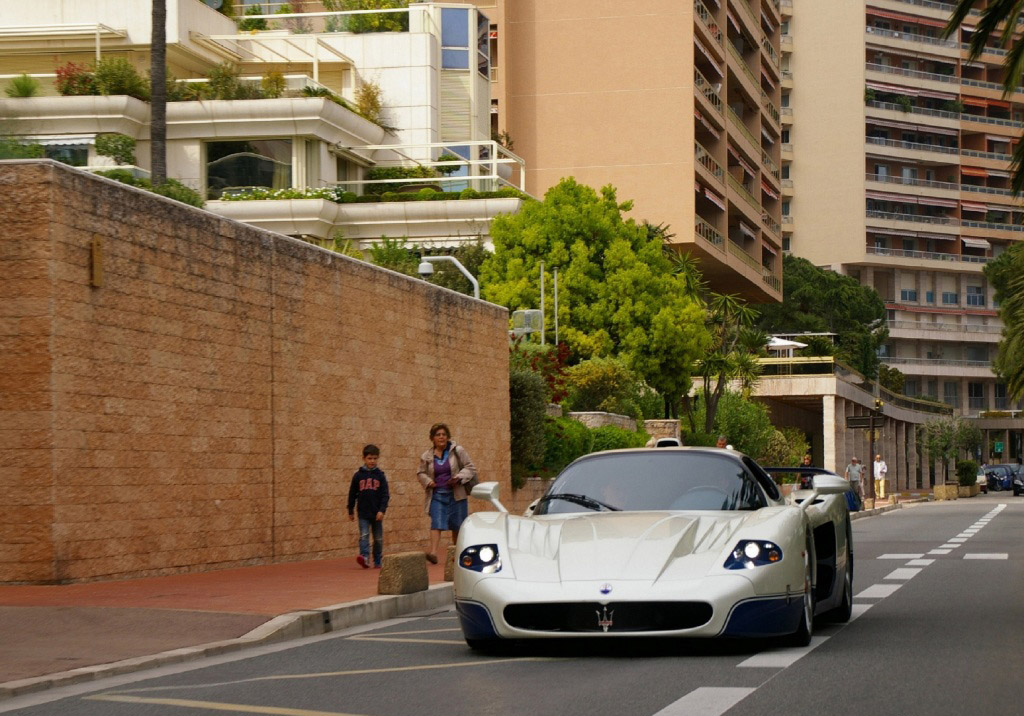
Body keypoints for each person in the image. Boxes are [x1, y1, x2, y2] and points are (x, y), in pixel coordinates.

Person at [418, 423, 477, 565]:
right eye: (438, 435)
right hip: (437, 494)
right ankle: (433, 553)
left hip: (456, 494)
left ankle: (456, 553)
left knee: (457, 525)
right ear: (432, 438)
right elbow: (420, 473)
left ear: (448, 437)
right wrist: (428, 481)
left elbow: (470, 467)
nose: (441, 437)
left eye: (444, 434)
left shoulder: (458, 450)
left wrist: (458, 478)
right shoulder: (426, 456)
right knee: (436, 523)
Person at [347, 444, 390, 569]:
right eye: (370, 458)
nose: (372, 461)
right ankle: (364, 557)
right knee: (364, 535)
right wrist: (350, 509)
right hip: (363, 513)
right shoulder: (358, 476)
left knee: (378, 538)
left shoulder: (380, 476)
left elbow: (385, 495)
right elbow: (352, 494)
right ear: (364, 459)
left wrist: (382, 510)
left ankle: (377, 559)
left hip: (377, 513)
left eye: (375, 458)